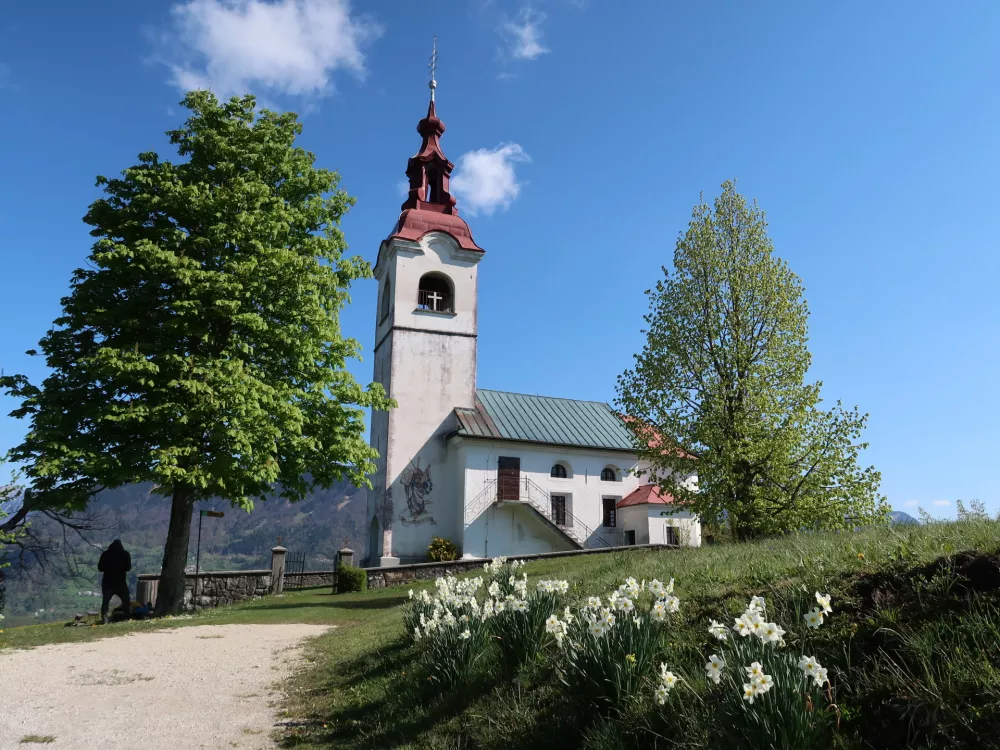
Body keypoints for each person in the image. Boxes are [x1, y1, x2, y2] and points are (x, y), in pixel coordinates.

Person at [98, 539, 132, 624]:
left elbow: (100, 568)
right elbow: (128, 568)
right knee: (126, 600)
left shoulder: (105, 554)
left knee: (105, 602)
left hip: (107, 582)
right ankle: (126, 617)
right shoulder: (125, 554)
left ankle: (105, 620)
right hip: (120, 582)